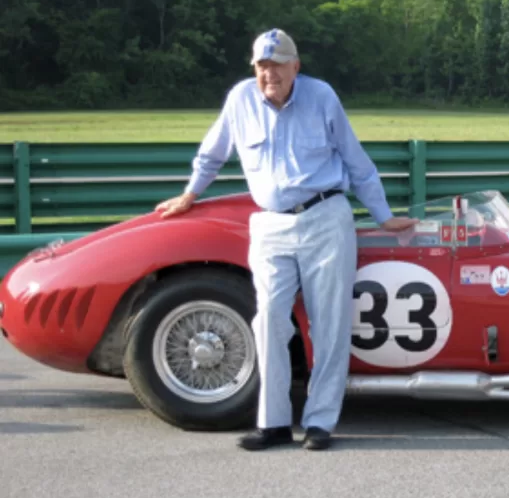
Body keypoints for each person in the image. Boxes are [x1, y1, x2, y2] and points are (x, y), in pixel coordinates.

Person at [155, 28, 417, 451]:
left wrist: (384, 217)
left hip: (325, 218)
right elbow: (213, 153)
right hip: (271, 225)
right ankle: (273, 422)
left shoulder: (322, 97)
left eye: (278, 65)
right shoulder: (240, 99)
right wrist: (190, 194)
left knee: (328, 323)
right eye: (262, 65)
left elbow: (357, 162)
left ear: (296, 66)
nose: (269, 73)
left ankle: (320, 423)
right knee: (269, 320)